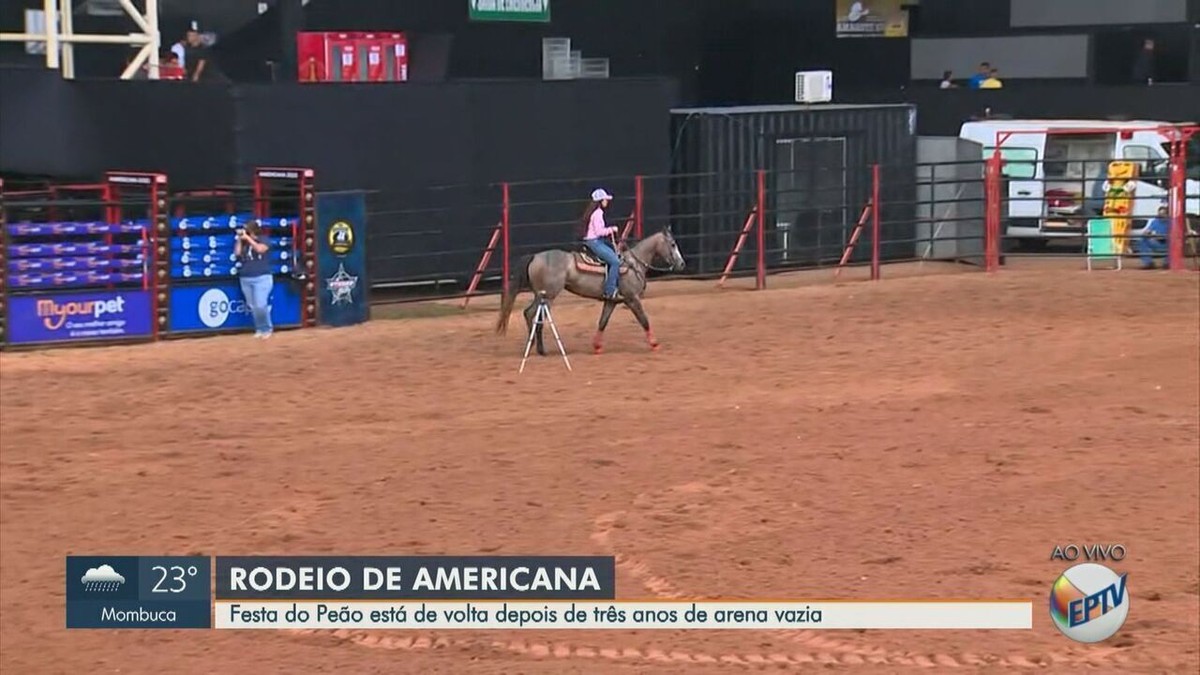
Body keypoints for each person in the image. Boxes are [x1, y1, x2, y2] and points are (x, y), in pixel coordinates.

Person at [234, 221, 275, 338]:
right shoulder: (244, 243)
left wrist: (249, 239)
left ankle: (267, 328)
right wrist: (239, 239)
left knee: (260, 304)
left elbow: (260, 249)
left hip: (262, 277)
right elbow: (237, 253)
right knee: (253, 306)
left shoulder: (264, 239)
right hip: (246, 278)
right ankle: (259, 328)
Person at [581, 188, 621, 299]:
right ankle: (610, 290)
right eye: (605, 199)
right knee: (615, 262)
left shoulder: (593, 212)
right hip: (594, 242)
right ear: (601, 201)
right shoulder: (598, 213)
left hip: (593, 240)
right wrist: (612, 229)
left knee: (613, 254)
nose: (607, 201)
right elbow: (599, 231)